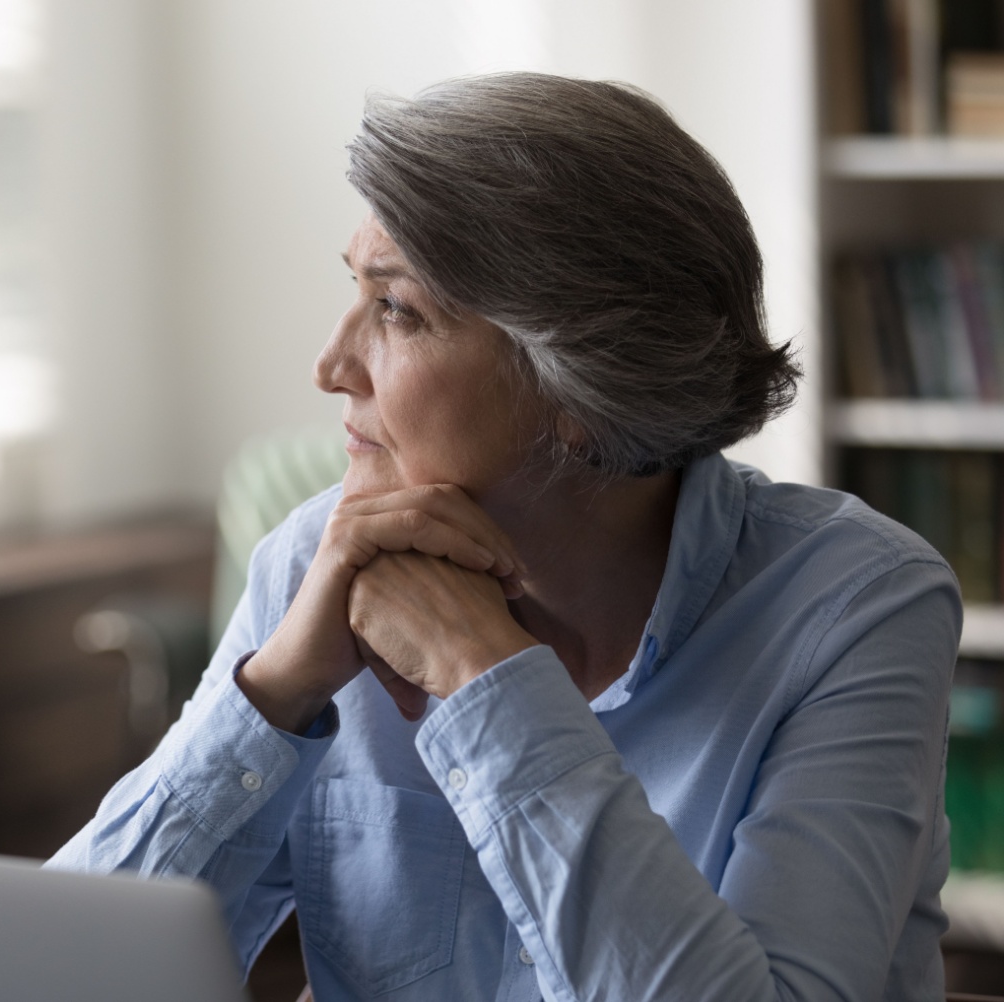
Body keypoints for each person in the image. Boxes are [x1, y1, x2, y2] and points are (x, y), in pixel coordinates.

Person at [48, 73, 958, 1001]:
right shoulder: (320, 563)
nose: (329, 366)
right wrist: (276, 694)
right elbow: (48, 973)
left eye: (397, 309)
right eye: (353, 292)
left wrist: (484, 676)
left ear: (577, 389)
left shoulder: (856, 606)